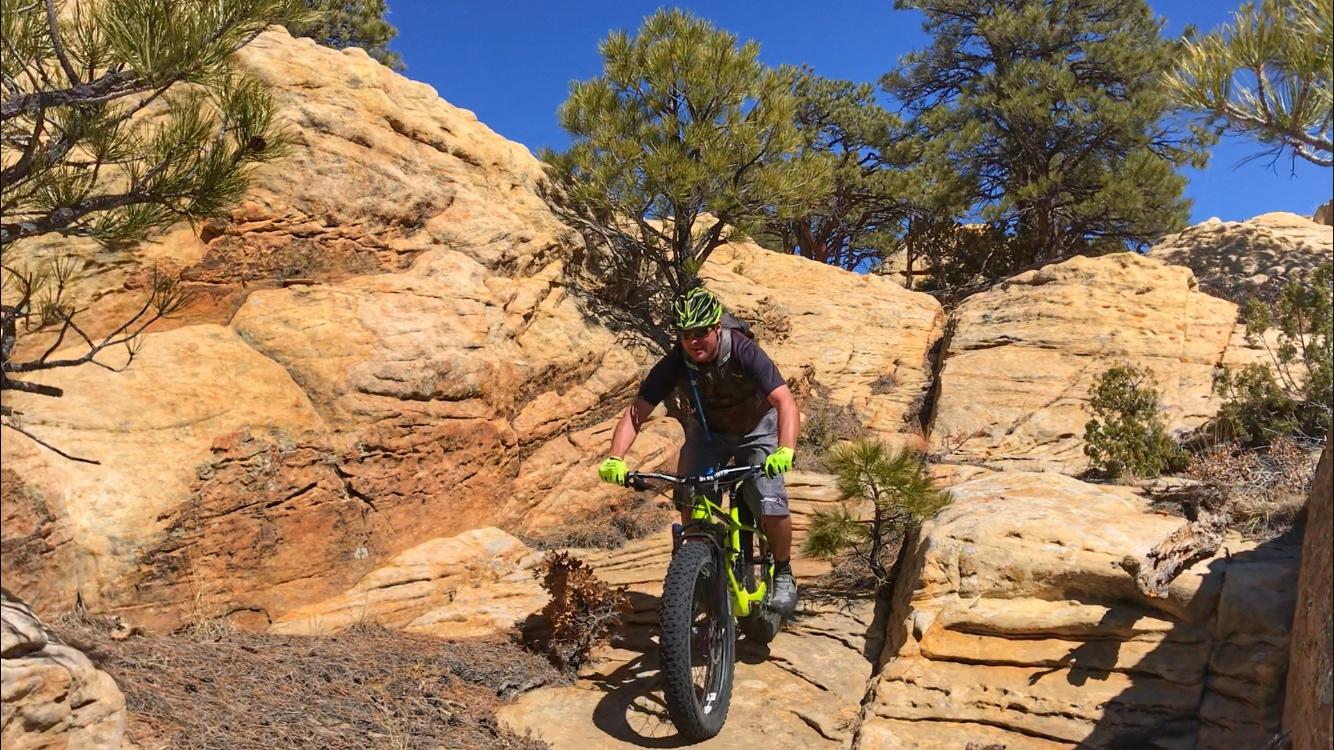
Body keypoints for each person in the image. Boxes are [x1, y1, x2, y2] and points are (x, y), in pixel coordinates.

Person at [596, 287, 801, 615]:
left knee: (770, 500)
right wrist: (616, 457)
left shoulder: (744, 351)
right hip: (709, 433)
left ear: (717, 327)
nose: (693, 341)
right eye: (685, 334)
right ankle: (696, 568)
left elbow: (784, 401)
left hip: (756, 430)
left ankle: (784, 571)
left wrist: (785, 449)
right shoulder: (676, 362)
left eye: (701, 332)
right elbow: (637, 412)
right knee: (689, 493)